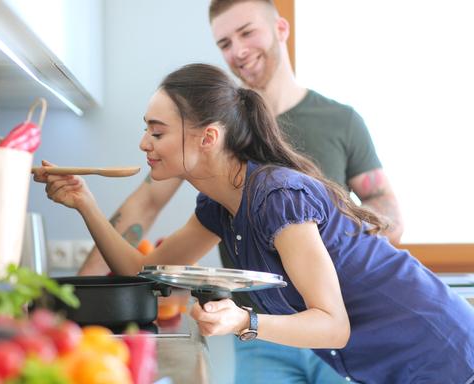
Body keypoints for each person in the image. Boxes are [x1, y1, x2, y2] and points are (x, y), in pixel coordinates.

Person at [34, 63, 474, 384]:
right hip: (391, 364)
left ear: (208, 137)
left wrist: (243, 321)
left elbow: (332, 324)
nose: (144, 143)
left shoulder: (277, 197)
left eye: (157, 131)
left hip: (439, 347)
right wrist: (84, 203)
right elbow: (142, 273)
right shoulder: (219, 206)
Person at [78, 0, 403, 382]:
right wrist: (78, 296)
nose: (238, 51)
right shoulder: (213, 126)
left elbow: (385, 208)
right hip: (256, 329)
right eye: (225, 42)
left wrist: (336, 252)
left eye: (247, 33)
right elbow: (145, 206)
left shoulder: (340, 121)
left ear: (281, 29)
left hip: (332, 321)